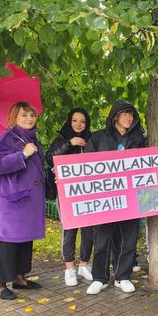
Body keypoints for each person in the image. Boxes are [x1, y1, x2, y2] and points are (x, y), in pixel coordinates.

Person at [84, 100, 146, 294]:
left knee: (128, 239)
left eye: (132, 115)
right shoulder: (97, 138)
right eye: (125, 114)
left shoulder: (139, 140)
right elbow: (84, 167)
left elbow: (148, 167)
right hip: (104, 199)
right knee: (102, 239)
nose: (129, 118)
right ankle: (100, 278)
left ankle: (122, 276)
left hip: (130, 199)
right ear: (115, 116)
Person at [0, 102, 45, 300]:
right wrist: (22, 154)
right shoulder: (4, 138)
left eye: (32, 115)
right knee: (7, 241)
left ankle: (20, 278)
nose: (29, 119)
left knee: (24, 239)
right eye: (24, 115)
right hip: (9, 201)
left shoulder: (32, 138)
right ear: (14, 117)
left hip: (28, 200)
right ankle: (0, 284)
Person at [46, 107, 94, 287]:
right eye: (75, 120)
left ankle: (84, 265)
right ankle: (69, 269)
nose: (78, 124)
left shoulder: (91, 140)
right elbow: (49, 158)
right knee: (70, 230)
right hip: (67, 194)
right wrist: (70, 143)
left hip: (88, 192)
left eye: (82, 121)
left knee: (89, 230)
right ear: (69, 121)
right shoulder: (61, 139)